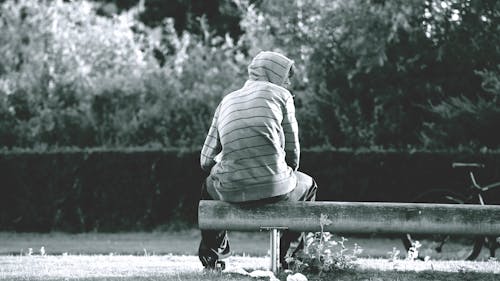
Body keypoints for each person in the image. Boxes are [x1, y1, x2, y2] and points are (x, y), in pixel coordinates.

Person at [198, 50, 318, 270]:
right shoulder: (282, 96)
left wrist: (229, 165)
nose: (288, 82)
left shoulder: (227, 100)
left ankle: (214, 259)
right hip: (276, 187)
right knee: (309, 185)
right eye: (286, 76)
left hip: (230, 189)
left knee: (207, 186)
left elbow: (205, 161)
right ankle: (289, 258)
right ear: (273, 73)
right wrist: (280, 173)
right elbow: (293, 153)